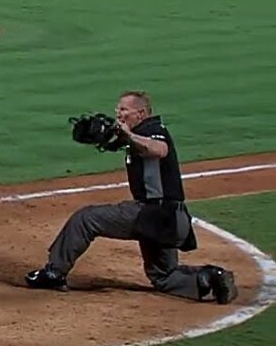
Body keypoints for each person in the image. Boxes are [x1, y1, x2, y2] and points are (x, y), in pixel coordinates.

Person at [25, 91, 239, 304]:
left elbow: (159, 149)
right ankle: (210, 278)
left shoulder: (153, 131)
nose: (118, 113)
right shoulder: (141, 132)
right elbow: (119, 142)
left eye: (124, 109)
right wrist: (111, 137)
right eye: (117, 109)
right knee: (163, 276)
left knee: (85, 219)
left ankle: (54, 273)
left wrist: (128, 136)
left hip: (153, 214)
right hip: (171, 219)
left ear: (141, 113)